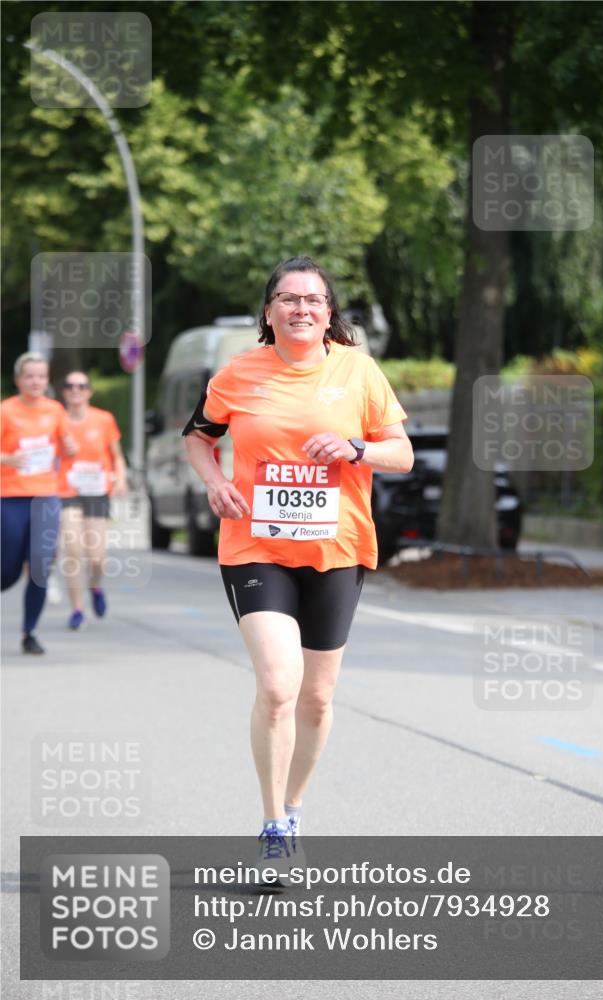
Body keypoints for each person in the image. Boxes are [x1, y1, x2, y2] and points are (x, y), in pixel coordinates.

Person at [183, 256, 413, 871]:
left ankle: (294, 804)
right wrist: (212, 481)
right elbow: (197, 436)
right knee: (280, 685)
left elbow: (403, 454)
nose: (301, 308)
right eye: (288, 298)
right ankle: (271, 824)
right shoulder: (238, 373)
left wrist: (356, 446)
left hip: (336, 548)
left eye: (313, 299)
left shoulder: (358, 372)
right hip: (255, 546)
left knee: (316, 698)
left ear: (329, 312)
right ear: (269, 311)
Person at [1, 352, 77, 654]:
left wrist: (70, 448)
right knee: (6, 570)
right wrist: (8, 458)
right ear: (19, 380)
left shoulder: (56, 410)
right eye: (29, 376)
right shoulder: (6, 411)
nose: (36, 381)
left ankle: (29, 632)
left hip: (46, 496)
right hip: (10, 496)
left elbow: (66, 449)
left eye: (41, 376)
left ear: (47, 381)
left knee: (41, 566)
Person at [57, 371, 128, 629]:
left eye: (81, 386)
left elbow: (117, 455)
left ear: (89, 391)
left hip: (97, 490)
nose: (75, 390)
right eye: (70, 385)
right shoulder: (58, 420)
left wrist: (120, 478)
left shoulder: (103, 419)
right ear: (64, 391)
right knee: (73, 550)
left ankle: (95, 586)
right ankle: (77, 609)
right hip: (67, 490)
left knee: (96, 557)